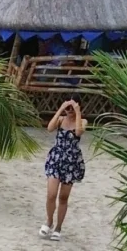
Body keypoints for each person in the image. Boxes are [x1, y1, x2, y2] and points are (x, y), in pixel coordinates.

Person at [42, 99, 86, 240]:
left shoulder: (82, 121)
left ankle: (58, 227)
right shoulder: (61, 120)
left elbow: (78, 132)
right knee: (51, 194)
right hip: (56, 158)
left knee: (63, 197)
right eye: (68, 108)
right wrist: (61, 109)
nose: (69, 110)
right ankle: (49, 221)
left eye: (71, 108)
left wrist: (77, 111)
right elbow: (49, 128)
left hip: (71, 161)